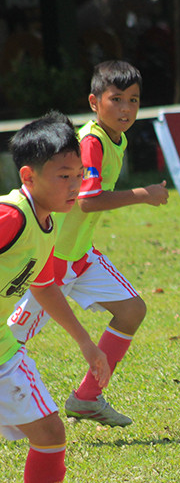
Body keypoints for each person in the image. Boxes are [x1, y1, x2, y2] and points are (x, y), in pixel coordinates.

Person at [7, 60, 168, 427]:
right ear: (95, 102)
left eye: (133, 100)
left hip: (81, 255)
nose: (126, 109)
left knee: (131, 311)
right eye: (116, 100)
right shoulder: (92, 141)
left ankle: (87, 398)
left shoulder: (116, 136)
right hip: (53, 260)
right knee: (9, 338)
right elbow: (88, 199)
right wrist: (144, 194)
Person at [2, 112, 111, 483]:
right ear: (29, 175)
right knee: (50, 434)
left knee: (49, 434)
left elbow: (44, 284)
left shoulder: (47, 221)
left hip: (4, 353)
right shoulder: (12, 216)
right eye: (63, 175)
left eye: (79, 174)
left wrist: (87, 343)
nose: (75, 185)